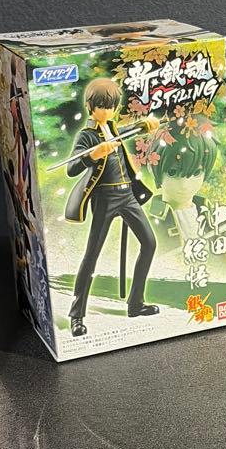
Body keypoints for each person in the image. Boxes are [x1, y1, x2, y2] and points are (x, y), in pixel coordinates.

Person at [64, 78, 160, 336]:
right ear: (90, 106)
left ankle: (136, 303)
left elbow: (131, 129)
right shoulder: (86, 135)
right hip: (105, 198)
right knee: (92, 255)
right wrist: (92, 155)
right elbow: (71, 168)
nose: (107, 111)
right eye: (102, 106)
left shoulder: (114, 128)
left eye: (111, 106)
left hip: (127, 195)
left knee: (149, 243)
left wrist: (146, 124)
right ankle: (76, 315)